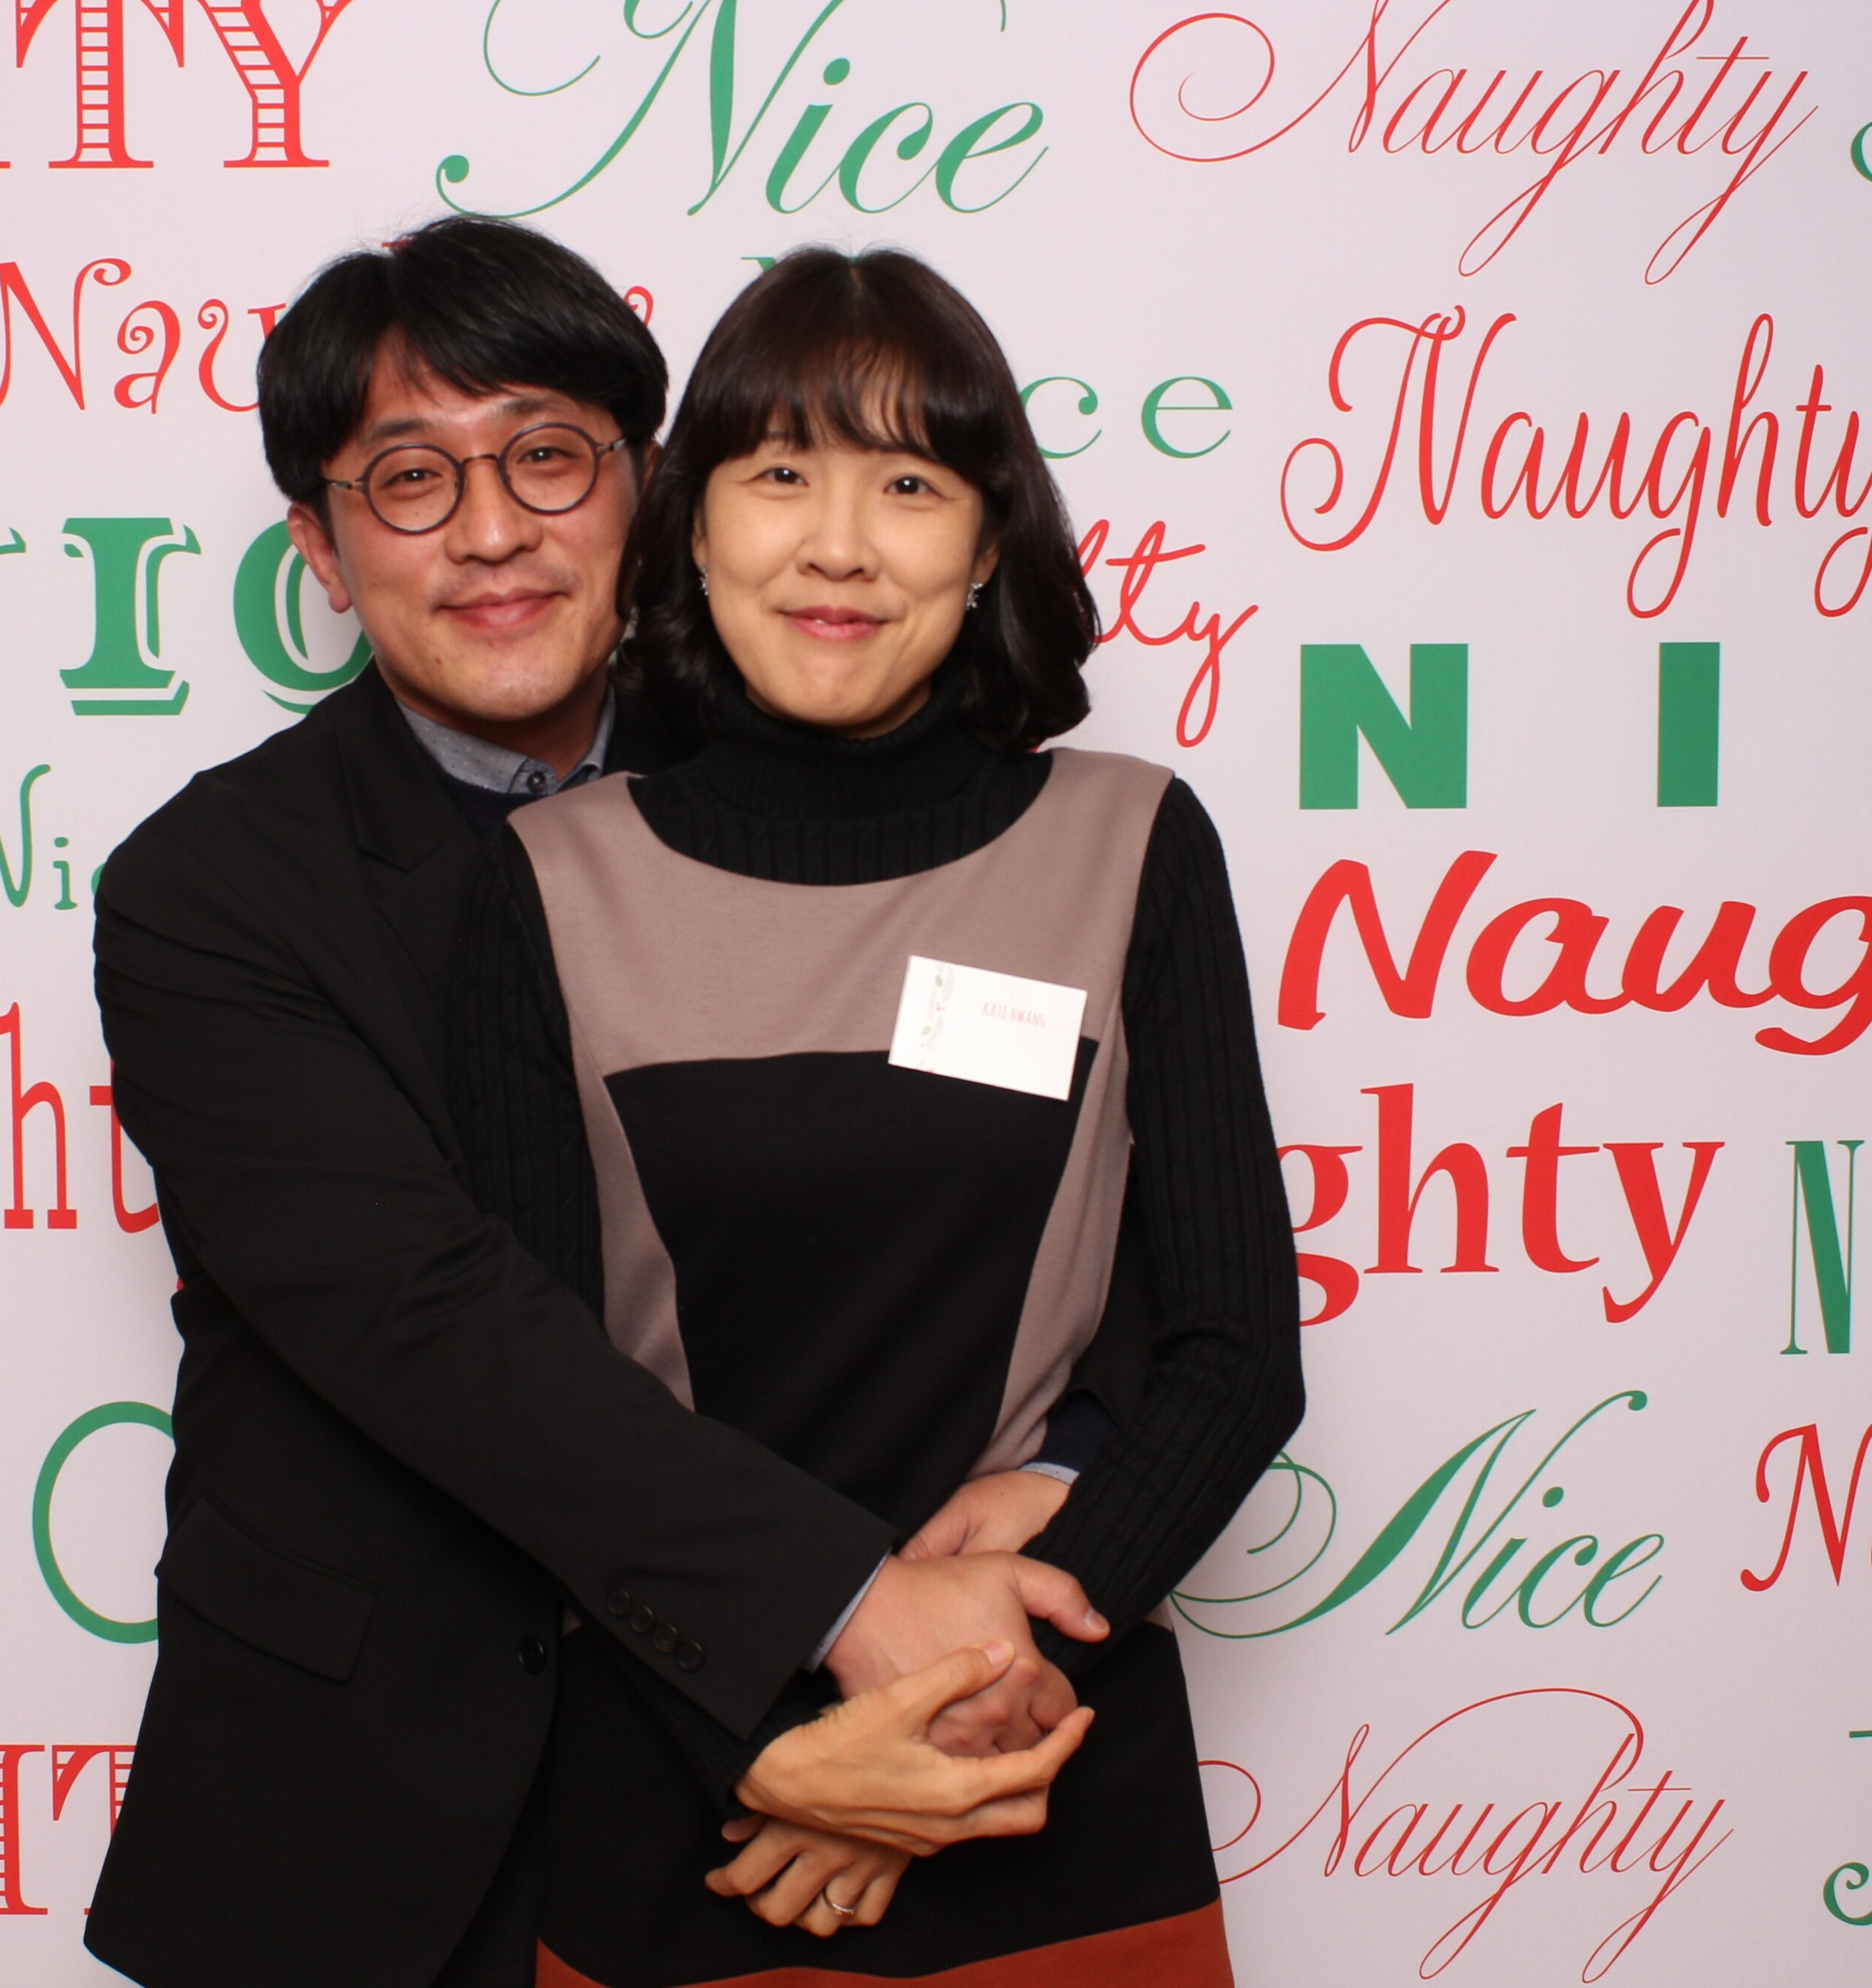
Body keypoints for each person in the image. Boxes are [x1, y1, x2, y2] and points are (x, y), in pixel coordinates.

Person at [84, 218, 1123, 1988]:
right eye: (408, 478)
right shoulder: (211, 892)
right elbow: (432, 1321)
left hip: (856, 1787)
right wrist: (845, 1616)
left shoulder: (855, 797)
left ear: (650, 485)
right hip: (374, 1807)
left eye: (546, 456)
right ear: (318, 546)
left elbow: (1076, 1186)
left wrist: (1060, 1485)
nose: (490, 531)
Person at [446, 247, 1306, 1983]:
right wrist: (790, 1748)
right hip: (698, 1807)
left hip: (1052, 1779)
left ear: (985, 543)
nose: (837, 544)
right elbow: (539, 1415)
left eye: (907, 484)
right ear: (691, 527)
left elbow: (1234, 1350)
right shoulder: (541, 887)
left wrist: (986, 1689)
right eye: (779, 475)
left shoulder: (1129, 844)